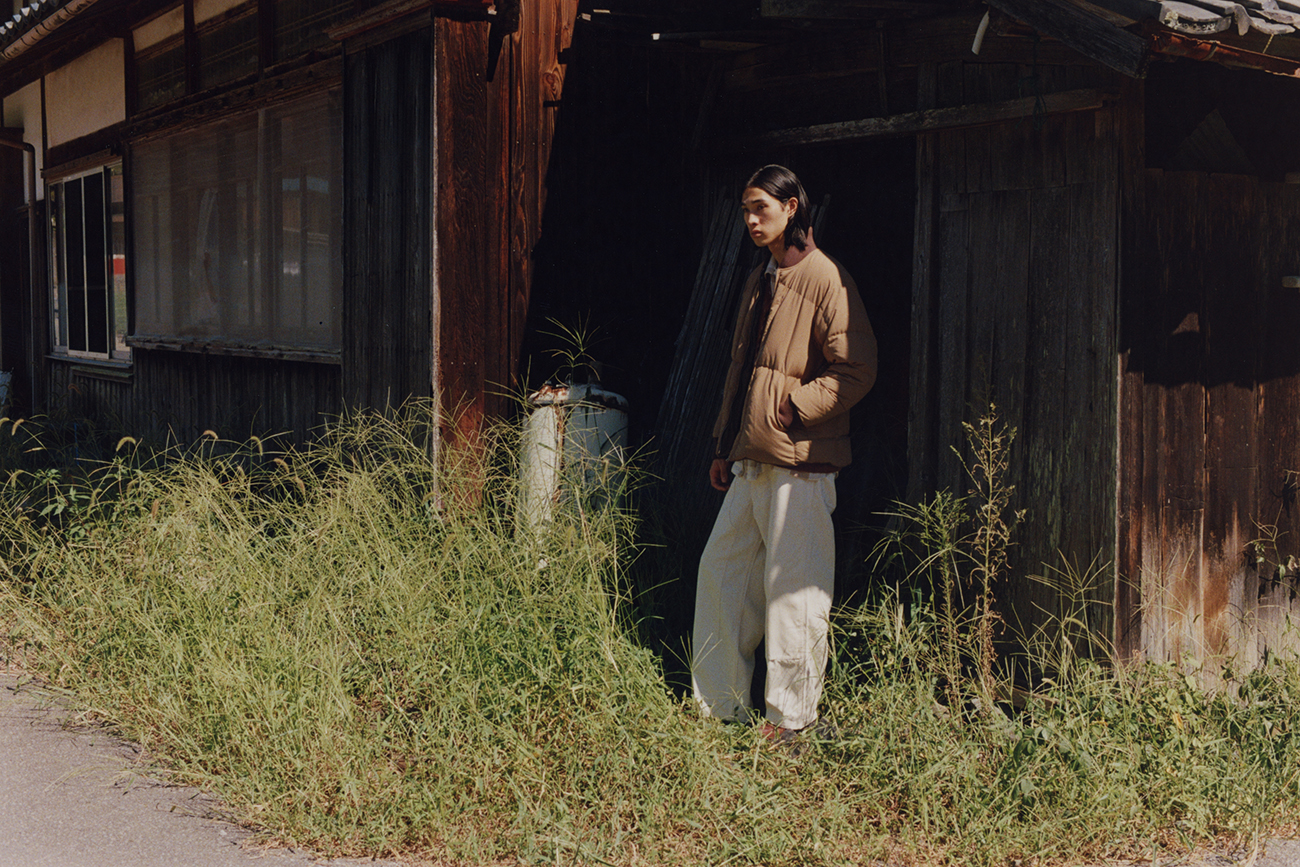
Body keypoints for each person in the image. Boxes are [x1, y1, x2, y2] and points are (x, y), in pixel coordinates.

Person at [691, 164, 877, 742]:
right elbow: (741, 371)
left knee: (793, 592)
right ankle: (718, 705)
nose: (751, 220)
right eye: (745, 210)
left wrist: (798, 405)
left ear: (792, 207)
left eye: (761, 209)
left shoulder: (827, 278)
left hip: (802, 464)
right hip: (752, 458)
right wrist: (725, 444)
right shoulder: (761, 277)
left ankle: (791, 722)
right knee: (722, 576)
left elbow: (858, 368)